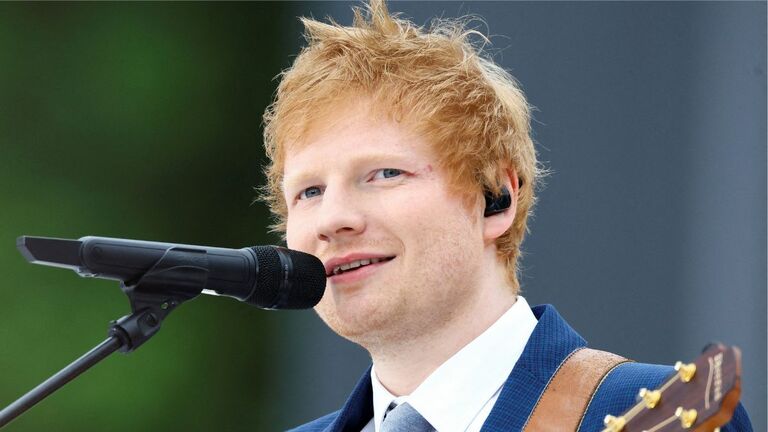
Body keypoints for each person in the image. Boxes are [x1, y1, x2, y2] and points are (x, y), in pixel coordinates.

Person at [260, 1, 753, 431]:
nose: (332, 218)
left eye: (385, 173)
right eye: (309, 192)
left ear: (495, 197)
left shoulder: (651, 410)